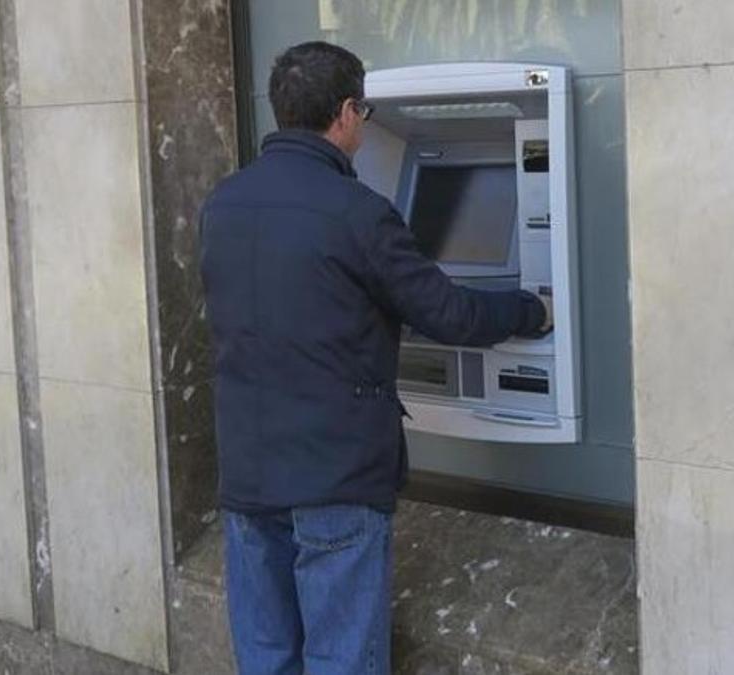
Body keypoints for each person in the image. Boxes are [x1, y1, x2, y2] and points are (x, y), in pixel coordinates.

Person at [198, 41, 551, 675]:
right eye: (361, 109)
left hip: (248, 472)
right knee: (343, 660)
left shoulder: (224, 203)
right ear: (345, 113)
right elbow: (450, 314)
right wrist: (533, 310)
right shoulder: (358, 213)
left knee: (267, 657)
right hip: (334, 473)